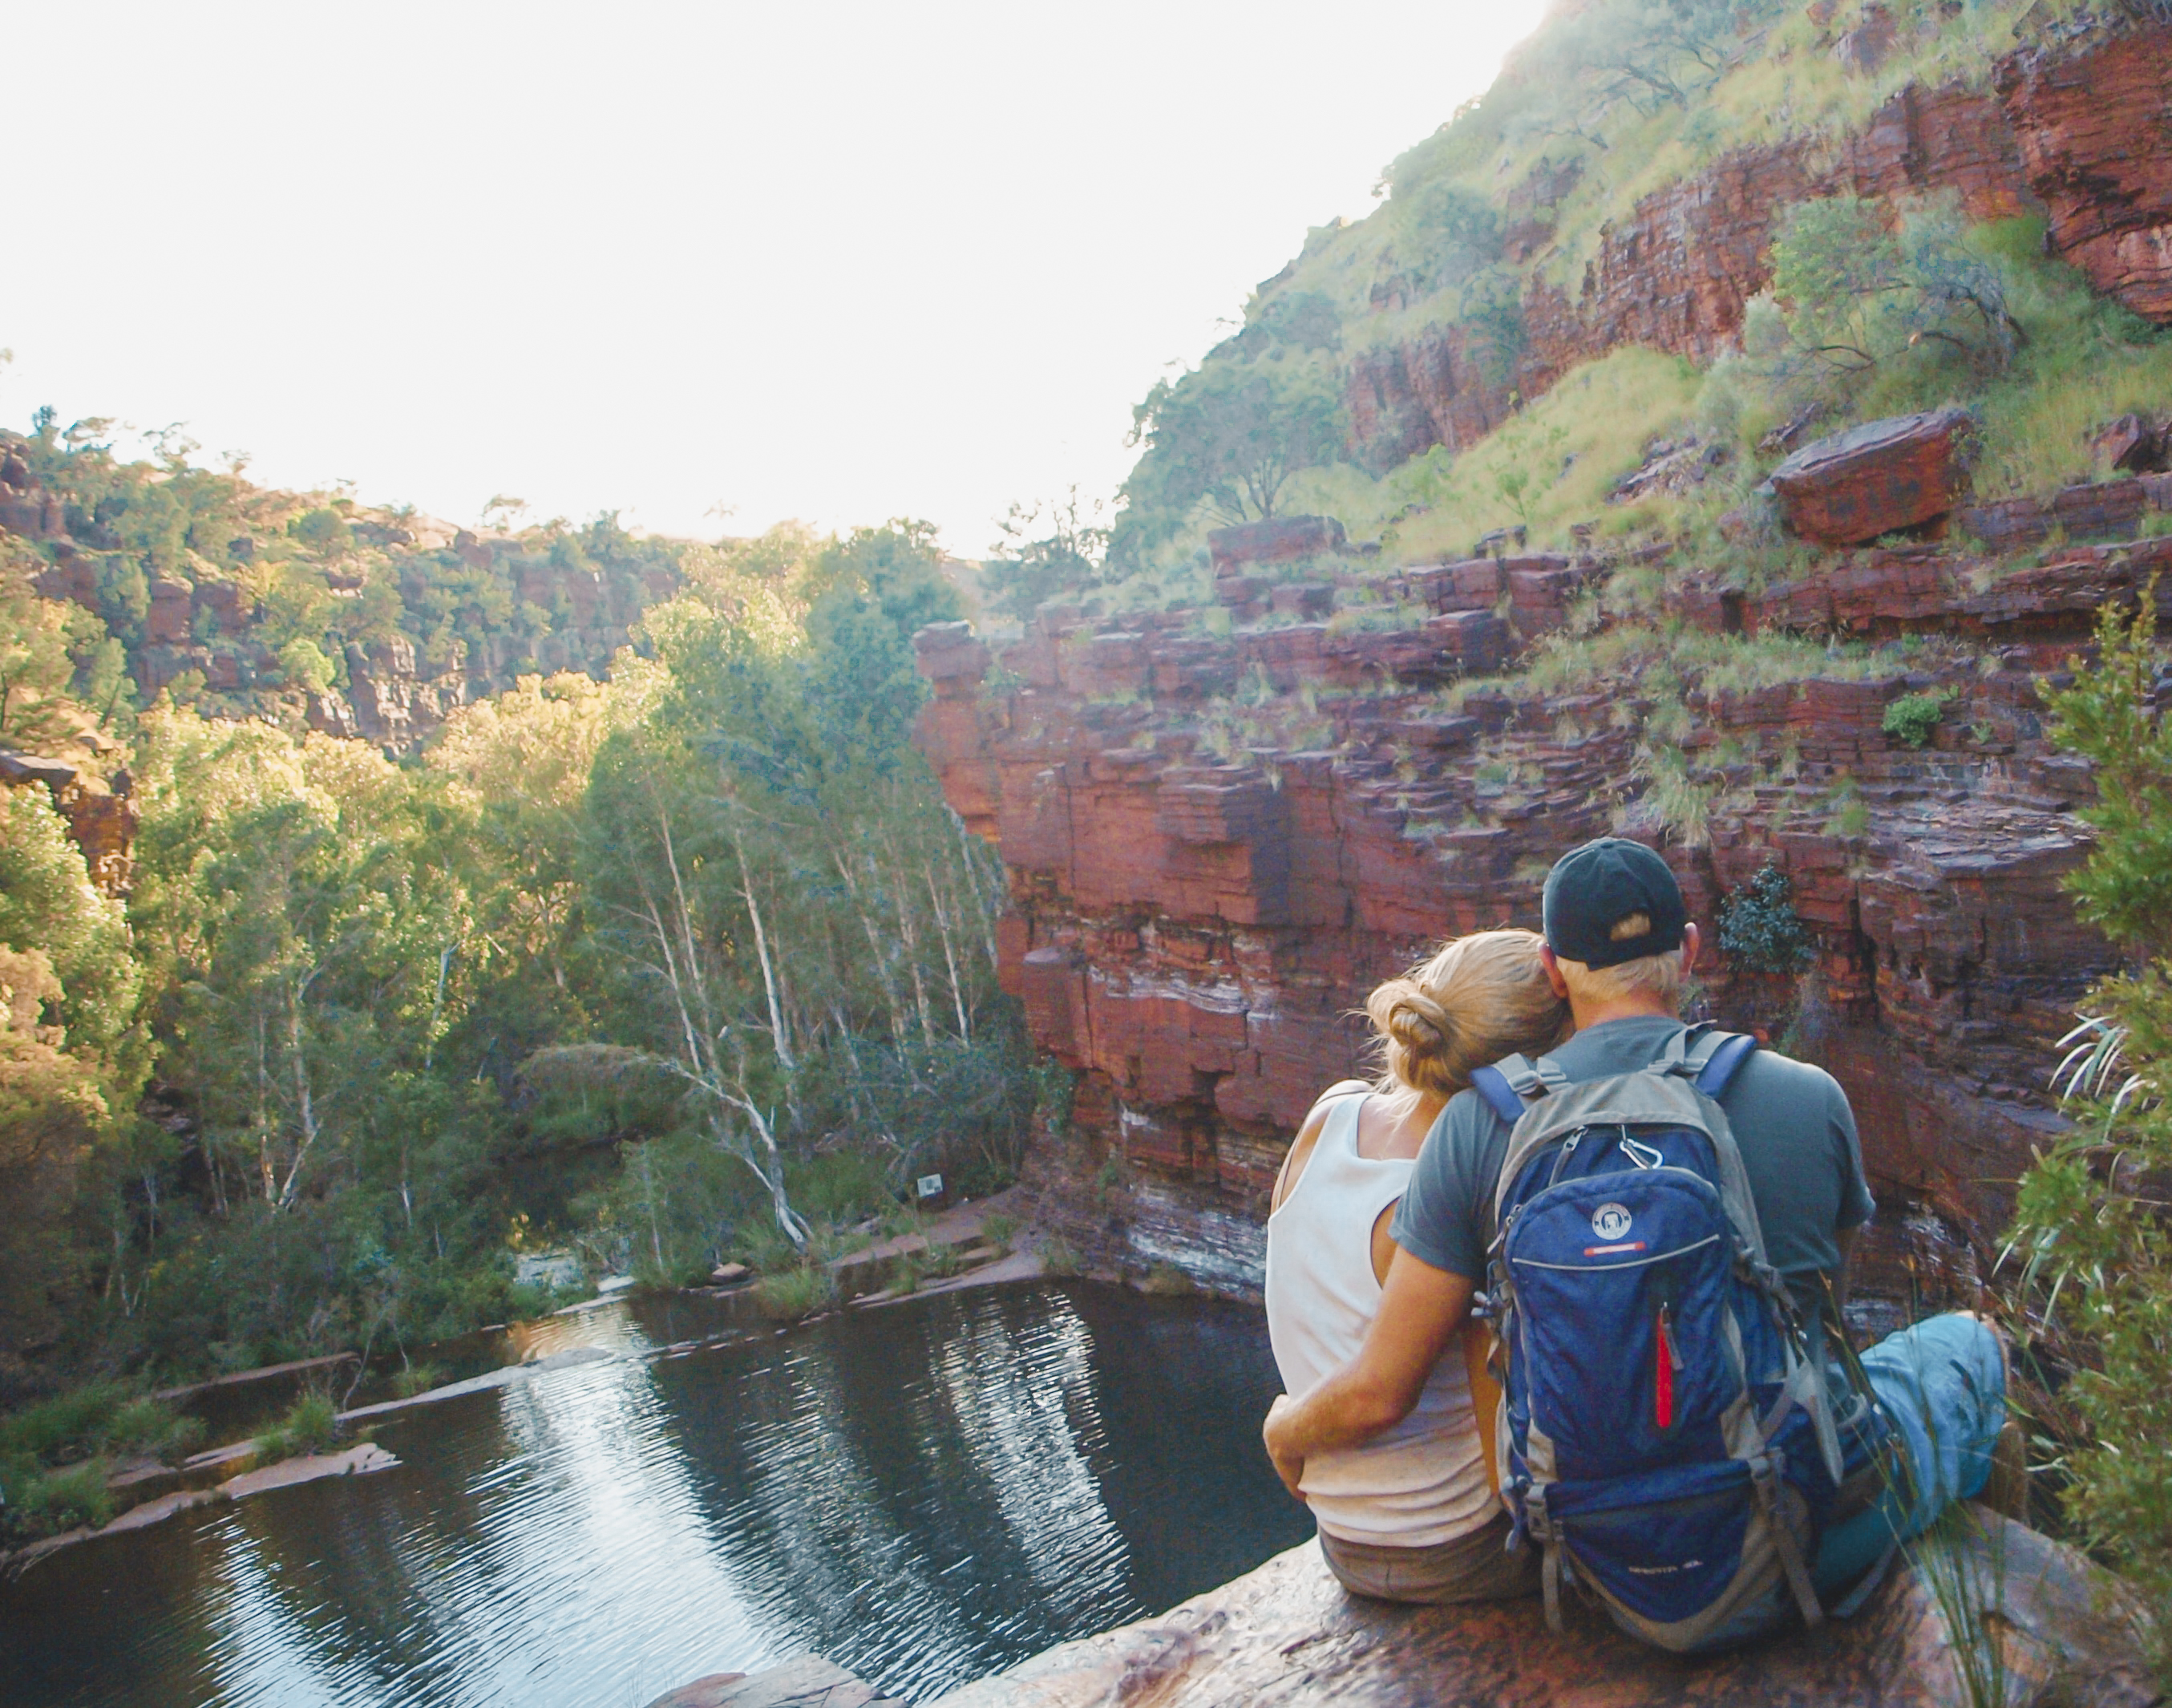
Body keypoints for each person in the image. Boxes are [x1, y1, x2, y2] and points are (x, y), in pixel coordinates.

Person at [1263, 837, 2008, 1620]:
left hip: (1608, 1567)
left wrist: (1288, 1430)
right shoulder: (1808, 1096)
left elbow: (1446, 1388)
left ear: (1555, 969)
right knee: (1973, 1345)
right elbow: (1822, 1323)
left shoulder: (1479, 1132)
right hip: (1795, 1538)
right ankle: (1981, 1623)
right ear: (1688, 951)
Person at [1263, 929, 1570, 1605]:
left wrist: (1290, 1428)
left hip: (1343, 1539)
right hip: (1451, 1549)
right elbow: (1387, 1399)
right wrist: (1281, 1433)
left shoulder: (1330, 1114)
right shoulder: (1458, 1192)